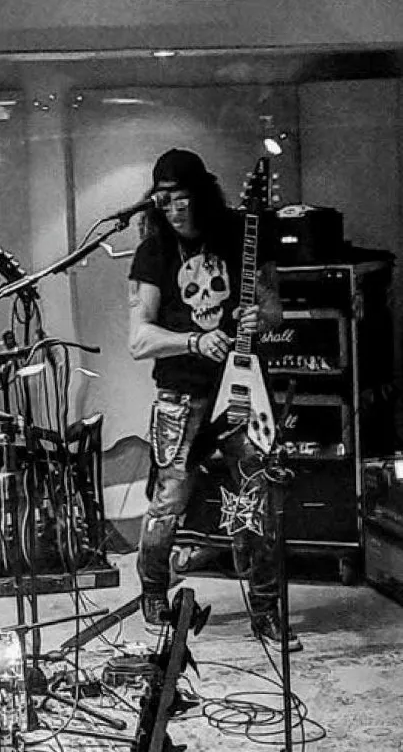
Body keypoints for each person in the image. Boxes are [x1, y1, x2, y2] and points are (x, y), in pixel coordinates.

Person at [128, 148, 301, 651]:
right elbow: (138, 340)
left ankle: (266, 612)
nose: (175, 210)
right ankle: (155, 595)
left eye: (183, 198)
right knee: (169, 499)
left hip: (242, 390)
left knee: (257, 499)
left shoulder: (239, 233)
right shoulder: (154, 252)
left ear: (202, 194)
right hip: (181, 391)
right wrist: (192, 340)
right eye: (164, 200)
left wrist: (260, 317)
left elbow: (273, 309)